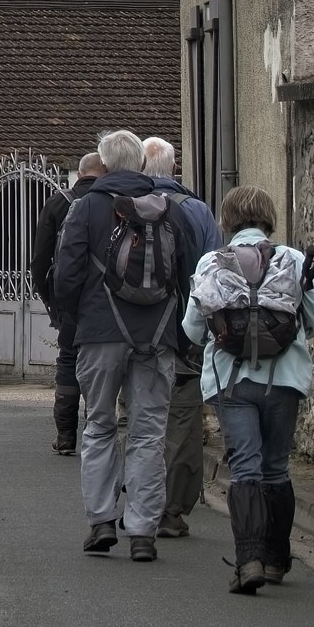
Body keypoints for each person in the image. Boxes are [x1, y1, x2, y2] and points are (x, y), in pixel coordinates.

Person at [49, 128, 205, 562]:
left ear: (102, 163)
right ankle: (142, 531)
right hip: (156, 338)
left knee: (99, 426)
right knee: (148, 434)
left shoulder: (85, 208)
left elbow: (66, 275)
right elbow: (189, 276)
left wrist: (76, 320)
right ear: (140, 164)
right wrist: (175, 330)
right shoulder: (169, 211)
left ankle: (101, 521)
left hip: (100, 335)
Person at [183, 186, 314, 593]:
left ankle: (249, 562)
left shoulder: (212, 262)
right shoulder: (294, 259)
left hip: (232, 381)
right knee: (276, 467)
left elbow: (192, 329)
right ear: (268, 218)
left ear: (227, 221)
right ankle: (278, 559)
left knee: (244, 466)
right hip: (284, 380)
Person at [138, 137, 221, 538]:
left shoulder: (124, 207)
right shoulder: (199, 212)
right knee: (183, 420)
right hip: (185, 334)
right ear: (174, 169)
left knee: (141, 418)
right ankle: (172, 509)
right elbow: (215, 277)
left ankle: (138, 502)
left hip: (135, 332)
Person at [32, 151, 103, 456]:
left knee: (69, 361)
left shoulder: (58, 202)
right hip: (104, 299)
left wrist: (52, 301)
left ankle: (65, 435)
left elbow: (39, 260)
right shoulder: (112, 202)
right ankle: (97, 430)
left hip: (69, 300)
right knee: (104, 363)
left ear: (79, 173)